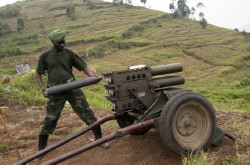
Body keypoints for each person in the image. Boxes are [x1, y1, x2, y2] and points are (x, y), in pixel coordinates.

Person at [35, 29, 109, 159]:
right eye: (59, 43)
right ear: (52, 42)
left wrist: (92, 76)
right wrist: (42, 88)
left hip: (72, 88)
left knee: (87, 113)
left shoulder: (69, 54)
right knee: (49, 120)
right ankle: (40, 152)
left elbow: (83, 66)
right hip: (55, 92)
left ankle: (99, 139)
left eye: (64, 42)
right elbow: (38, 73)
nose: (62, 45)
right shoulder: (45, 56)